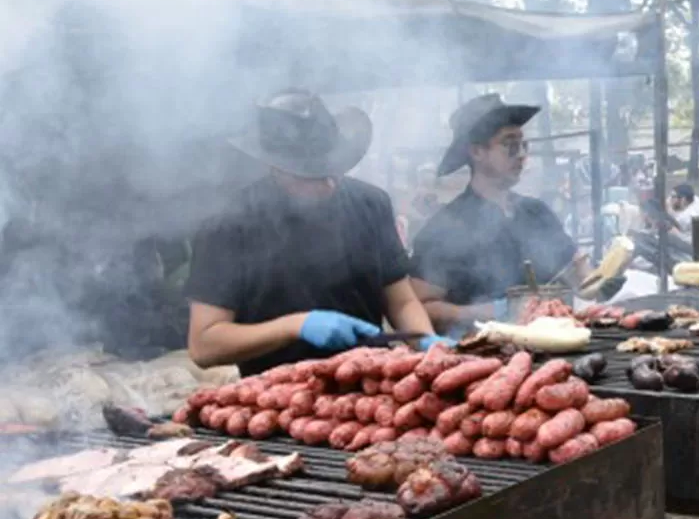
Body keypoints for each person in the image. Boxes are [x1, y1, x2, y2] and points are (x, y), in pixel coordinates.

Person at [185, 90, 441, 376]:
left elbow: (402, 300)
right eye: (311, 174)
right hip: (278, 397)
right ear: (276, 166)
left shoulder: (371, 204)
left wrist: (428, 344)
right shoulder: (227, 225)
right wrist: (297, 326)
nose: (328, 183)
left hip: (371, 385)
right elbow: (204, 345)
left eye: (333, 168)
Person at [410, 94, 590, 333]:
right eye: (510, 145)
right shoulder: (443, 229)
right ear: (477, 152)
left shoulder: (537, 213)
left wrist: (600, 278)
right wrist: (484, 312)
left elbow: (576, 273)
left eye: (523, 145)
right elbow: (420, 306)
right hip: (484, 357)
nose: (522, 155)